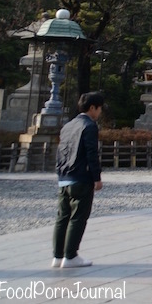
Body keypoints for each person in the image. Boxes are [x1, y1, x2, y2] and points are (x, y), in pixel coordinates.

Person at [52, 91, 105, 269]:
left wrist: (60, 173)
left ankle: (58, 256)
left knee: (62, 218)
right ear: (92, 108)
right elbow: (92, 153)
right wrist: (97, 178)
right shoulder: (89, 126)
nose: (100, 113)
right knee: (78, 218)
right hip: (81, 177)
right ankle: (71, 255)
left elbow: (61, 151)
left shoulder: (68, 126)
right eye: (99, 109)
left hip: (64, 176)